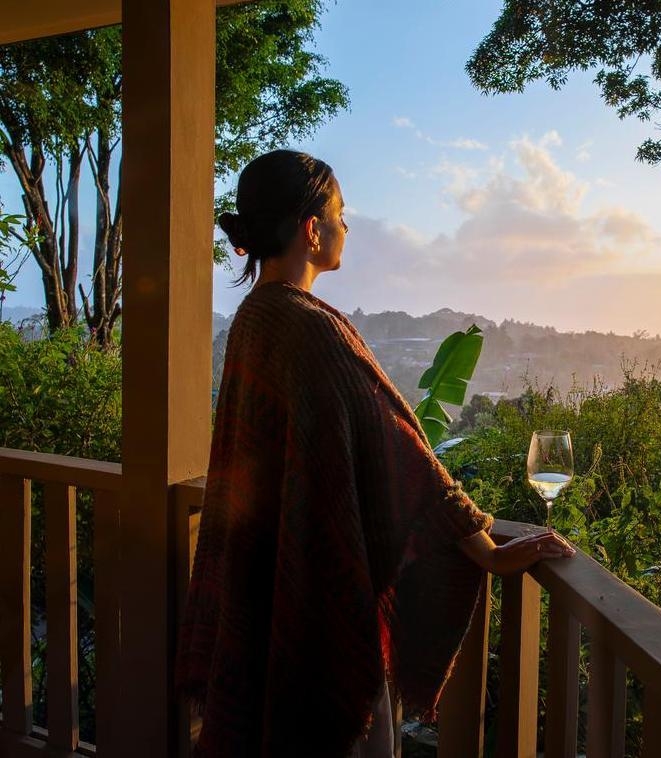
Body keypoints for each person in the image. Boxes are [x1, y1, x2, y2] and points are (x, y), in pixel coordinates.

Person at [175, 149, 574, 757]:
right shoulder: (312, 329)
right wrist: (487, 552)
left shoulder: (256, 317)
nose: (346, 227)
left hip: (271, 587)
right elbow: (404, 455)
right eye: (341, 214)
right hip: (318, 608)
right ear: (312, 230)